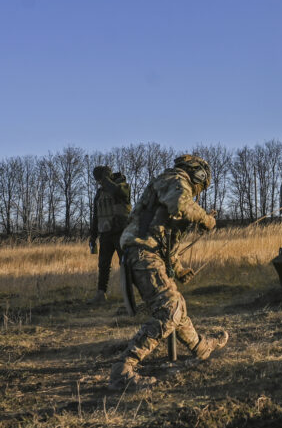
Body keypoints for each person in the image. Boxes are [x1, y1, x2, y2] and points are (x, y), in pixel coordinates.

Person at [108, 154, 228, 390]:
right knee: (170, 308)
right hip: (142, 251)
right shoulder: (175, 179)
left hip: (147, 252)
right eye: (202, 185)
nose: (198, 191)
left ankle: (201, 347)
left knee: (176, 305)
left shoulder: (171, 186)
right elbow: (181, 206)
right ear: (198, 175)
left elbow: (166, 240)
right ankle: (122, 369)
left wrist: (179, 269)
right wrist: (206, 219)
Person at [88, 167, 131, 304]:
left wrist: (106, 179)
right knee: (103, 265)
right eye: (98, 180)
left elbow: (118, 192)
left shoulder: (122, 186)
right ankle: (101, 294)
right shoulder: (100, 193)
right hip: (105, 233)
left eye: (100, 179)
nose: (99, 182)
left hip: (120, 232)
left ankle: (129, 296)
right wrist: (93, 236)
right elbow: (96, 216)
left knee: (126, 264)